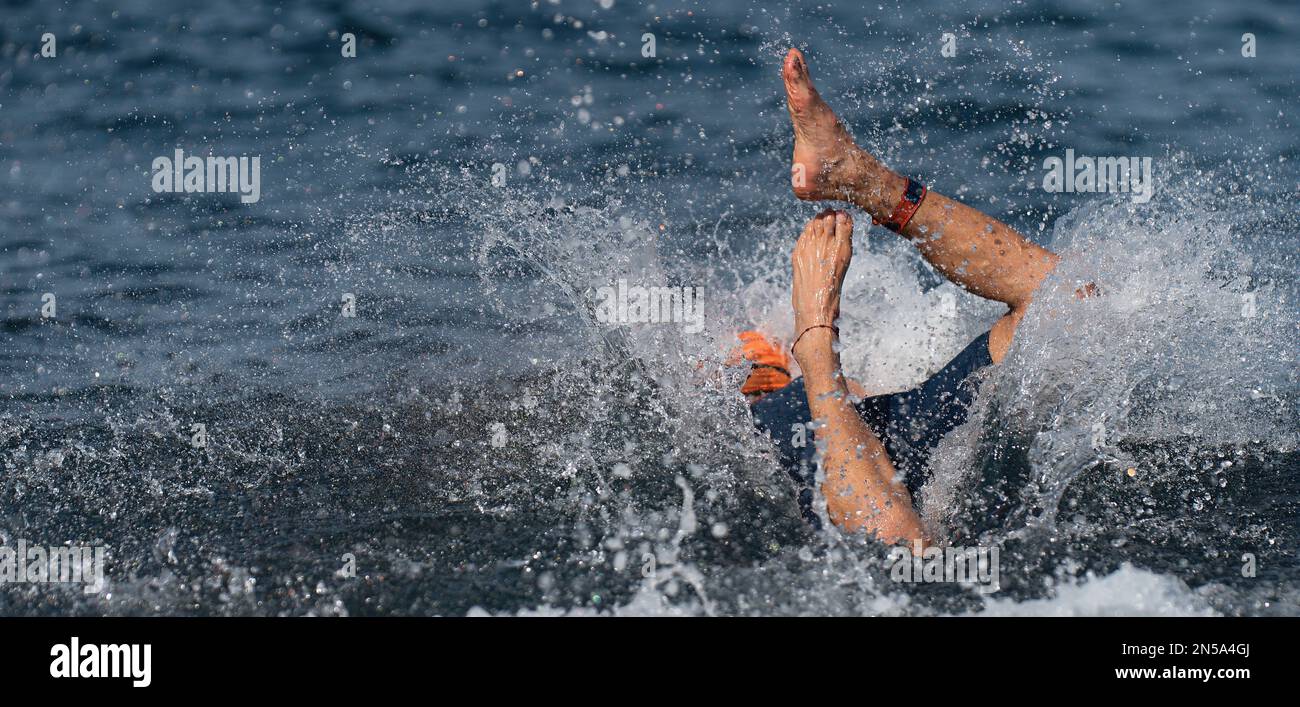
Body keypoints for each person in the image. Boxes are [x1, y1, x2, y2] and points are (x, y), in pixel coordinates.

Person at [740, 49, 1083, 546]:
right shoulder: (744, 455)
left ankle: (858, 178)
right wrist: (815, 333)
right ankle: (774, 363)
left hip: (867, 435)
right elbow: (899, 540)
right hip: (832, 451)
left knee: (1071, 305)